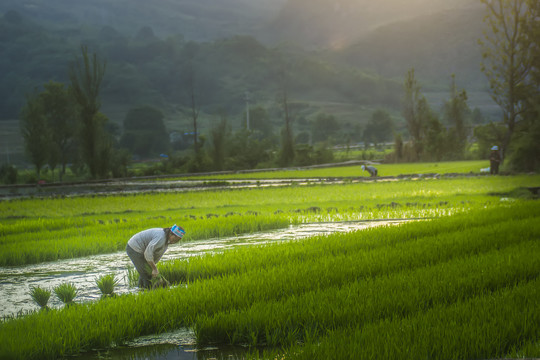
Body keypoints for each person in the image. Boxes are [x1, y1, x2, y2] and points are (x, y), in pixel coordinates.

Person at [126, 224, 185, 289]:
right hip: (134, 248)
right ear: (171, 234)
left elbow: (155, 255)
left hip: (142, 249)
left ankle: (140, 290)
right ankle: (148, 292)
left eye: (178, 241)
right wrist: (154, 269)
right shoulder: (161, 238)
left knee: (146, 272)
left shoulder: (166, 240)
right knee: (146, 275)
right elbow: (148, 253)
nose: (175, 242)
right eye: (175, 239)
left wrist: (152, 267)